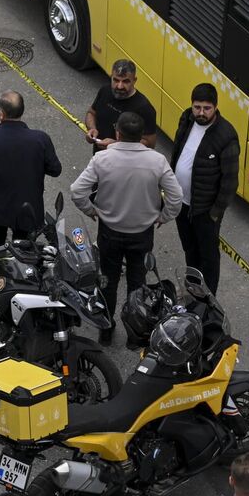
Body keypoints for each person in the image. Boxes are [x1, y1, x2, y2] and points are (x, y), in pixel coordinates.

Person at [72, 111, 182, 345]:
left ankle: (107, 328)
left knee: (108, 282)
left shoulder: (102, 159)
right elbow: (176, 198)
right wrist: (163, 217)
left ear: (117, 133)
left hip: (109, 232)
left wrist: (92, 211)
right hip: (142, 234)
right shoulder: (157, 161)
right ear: (142, 136)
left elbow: (77, 191)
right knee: (138, 283)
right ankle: (136, 333)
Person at [165, 83, 240, 292]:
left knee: (208, 258)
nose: (201, 113)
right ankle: (193, 289)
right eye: (197, 107)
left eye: (206, 108)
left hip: (205, 211)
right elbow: (177, 151)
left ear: (215, 107)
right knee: (190, 250)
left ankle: (209, 301)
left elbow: (230, 182)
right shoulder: (187, 118)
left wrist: (214, 214)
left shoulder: (226, 135)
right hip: (182, 204)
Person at [0, 91, 61, 252]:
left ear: (1, 113)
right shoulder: (40, 139)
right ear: (22, 111)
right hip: (28, 209)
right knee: (25, 256)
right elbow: (55, 170)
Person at [84, 58, 158, 148]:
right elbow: (91, 113)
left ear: (134, 81)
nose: (119, 86)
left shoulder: (144, 108)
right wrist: (92, 129)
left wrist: (116, 145)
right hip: (101, 157)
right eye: (116, 80)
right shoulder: (105, 91)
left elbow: (149, 143)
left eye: (125, 81)